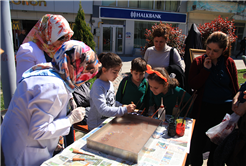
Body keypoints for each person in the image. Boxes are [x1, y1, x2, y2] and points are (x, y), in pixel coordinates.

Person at [0, 40, 99, 166]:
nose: (85, 79)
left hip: (11, 142)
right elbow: (38, 130)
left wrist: (54, 138)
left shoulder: (48, 70)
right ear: (73, 65)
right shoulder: (54, 87)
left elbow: (37, 115)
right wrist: (70, 120)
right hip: (23, 155)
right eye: (86, 72)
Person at [188, 31, 239, 166]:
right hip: (204, 108)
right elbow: (193, 84)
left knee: (217, 145)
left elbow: (234, 87)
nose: (210, 53)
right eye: (208, 49)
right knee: (197, 143)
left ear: (224, 50)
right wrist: (206, 70)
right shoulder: (198, 61)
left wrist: (236, 101)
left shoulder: (229, 63)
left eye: (215, 51)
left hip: (224, 111)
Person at [16, 14, 74, 84]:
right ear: (48, 32)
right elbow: (24, 83)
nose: (64, 40)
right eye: (61, 37)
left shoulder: (60, 49)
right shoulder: (28, 50)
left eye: (67, 37)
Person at [88, 52, 136, 131]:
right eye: (114, 72)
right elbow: (103, 109)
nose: (117, 75)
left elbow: (111, 102)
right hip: (96, 126)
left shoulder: (109, 83)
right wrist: (124, 110)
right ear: (104, 70)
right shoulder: (98, 86)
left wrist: (122, 105)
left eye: (118, 72)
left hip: (108, 122)